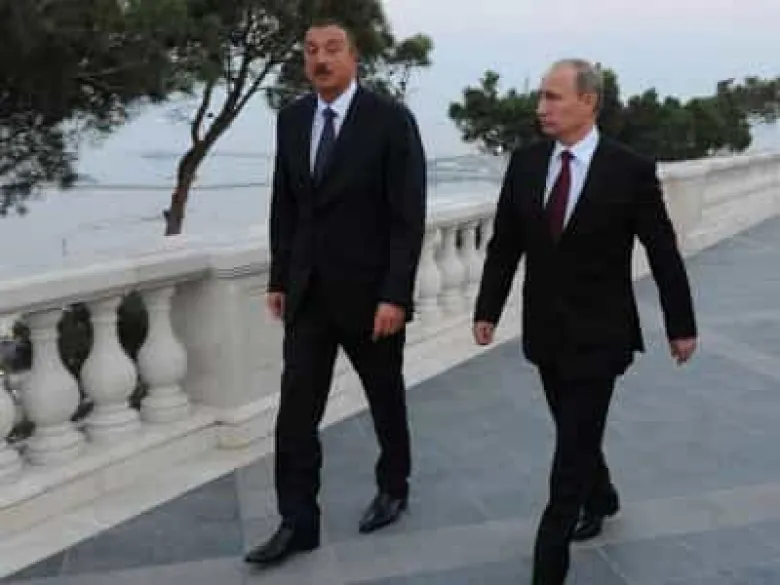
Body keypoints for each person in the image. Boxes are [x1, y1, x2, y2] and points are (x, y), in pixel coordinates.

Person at [472, 58, 697, 584]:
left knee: (569, 453)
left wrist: (680, 324)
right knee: (575, 428)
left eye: (553, 97)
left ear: (588, 102)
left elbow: (662, 251)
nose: (540, 107)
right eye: (541, 96)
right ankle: (602, 494)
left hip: (602, 335)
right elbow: (505, 244)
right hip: (545, 332)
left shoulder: (630, 170)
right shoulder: (526, 163)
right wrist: (487, 309)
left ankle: (549, 561)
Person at [244, 19, 427, 567]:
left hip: (371, 298)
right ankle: (297, 522)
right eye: (311, 51)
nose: (320, 59)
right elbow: (285, 203)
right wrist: (280, 277)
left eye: (332, 49)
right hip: (308, 296)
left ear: (354, 57)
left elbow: (407, 216)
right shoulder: (293, 119)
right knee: (295, 415)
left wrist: (395, 295)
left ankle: (394, 485)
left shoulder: (390, 121)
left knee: (385, 397)